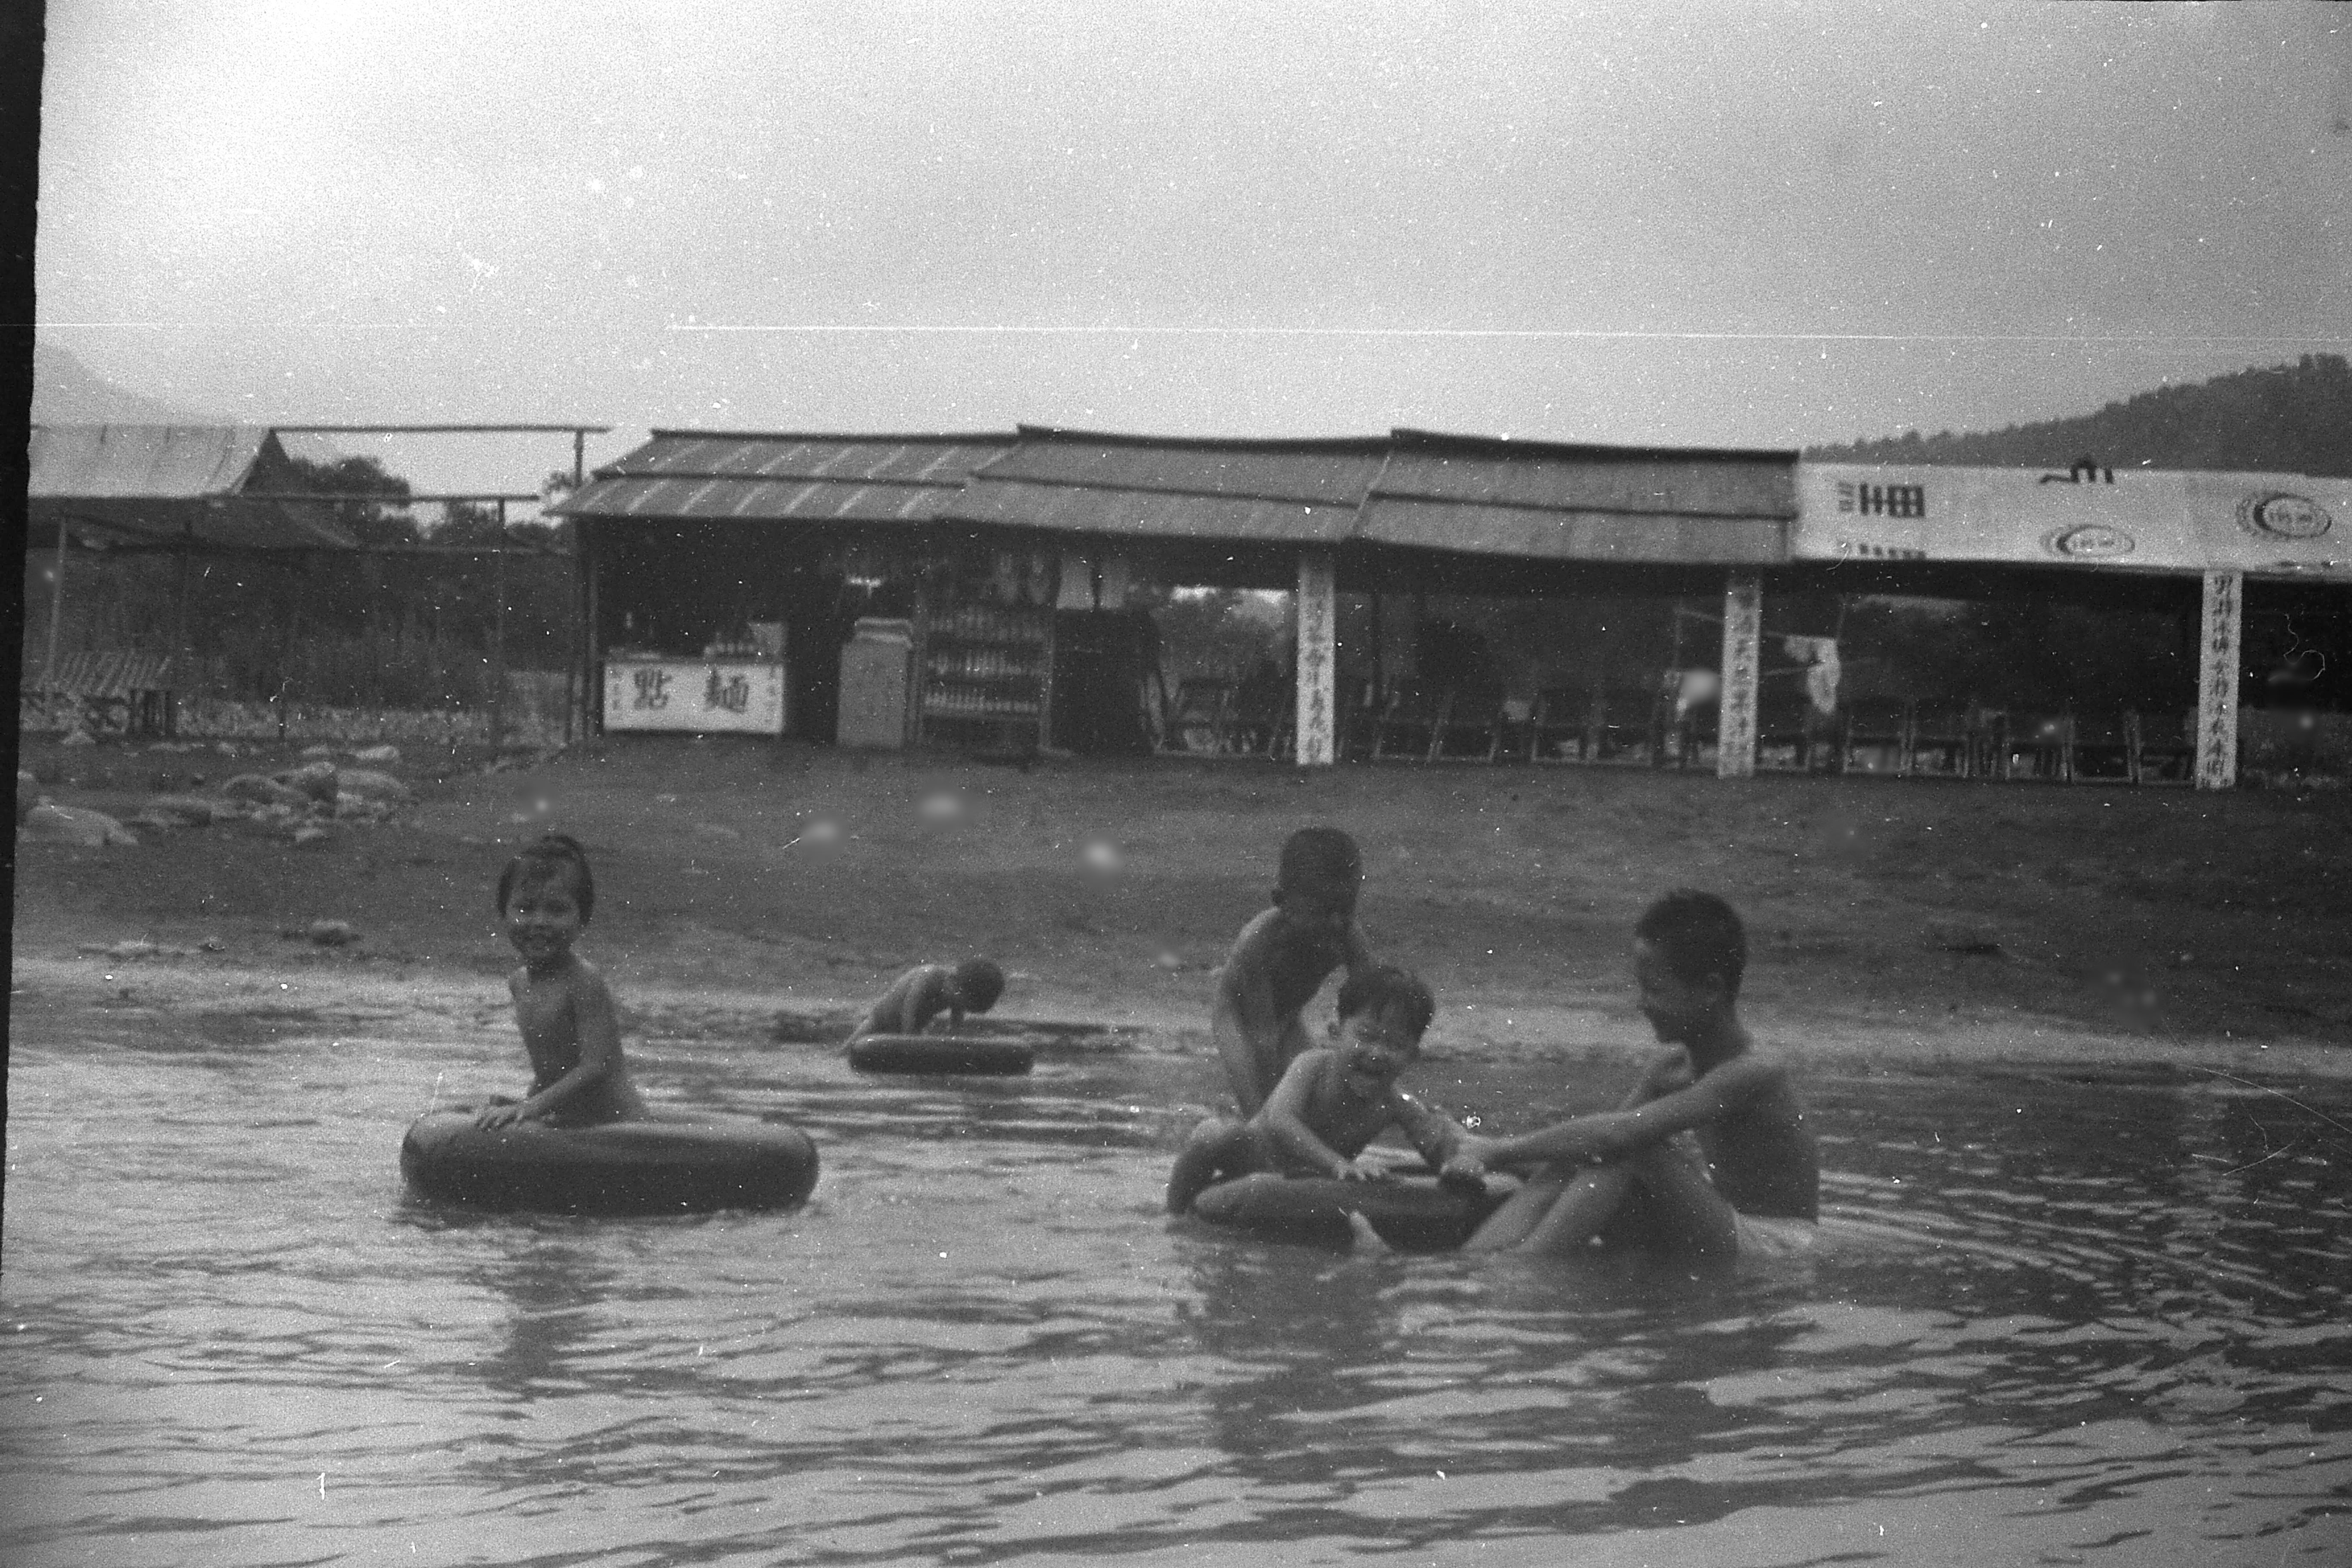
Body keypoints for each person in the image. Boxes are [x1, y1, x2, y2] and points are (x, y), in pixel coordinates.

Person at [1461, 889, 1817, 1258]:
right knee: (1584, 1155)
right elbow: (1598, 1142)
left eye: (1656, 990)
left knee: (1632, 1147)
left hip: (1777, 1244)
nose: (1642, 1004)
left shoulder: (1754, 1072)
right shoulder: (1671, 1067)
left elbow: (1618, 1137)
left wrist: (1498, 1151)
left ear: (1711, 989)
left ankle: (1526, 1268)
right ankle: (1477, 1261)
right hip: (1720, 1223)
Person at [1168, 965, 1483, 1213]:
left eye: (1395, 1044)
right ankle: (1174, 1214)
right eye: (1366, 1036)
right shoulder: (1313, 1066)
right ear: (1335, 1034)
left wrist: (1457, 1162)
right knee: (1212, 1133)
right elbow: (1280, 1119)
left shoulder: (1396, 1101)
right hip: (1251, 1158)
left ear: (1413, 1056)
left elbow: (1435, 1139)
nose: (1376, 1053)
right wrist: (1337, 1164)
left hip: (1308, 1184)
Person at [477, 834, 649, 1130]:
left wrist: (532, 1107)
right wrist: (524, 1103)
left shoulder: (583, 981)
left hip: (620, 1128)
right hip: (573, 1124)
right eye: (525, 909)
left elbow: (596, 1067)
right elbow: (551, 1069)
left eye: (557, 910)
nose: (540, 921)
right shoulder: (518, 983)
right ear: (503, 913)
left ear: (583, 920)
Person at [1212, 826, 1378, 1116]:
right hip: (1238, 1019)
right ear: (1282, 903)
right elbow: (1262, 1035)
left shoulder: (1348, 936)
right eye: (1324, 913)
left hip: (1288, 1018)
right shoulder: (1259, 942)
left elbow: (1374, 997)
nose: (1337, 923)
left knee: (1314, 1102)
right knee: (1260, 1109)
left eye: (1347, 910)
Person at [848, 958, 1006, 1040]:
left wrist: (955, 1038)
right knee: (847, 1051)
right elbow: (910, 1006)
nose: (959, 1007)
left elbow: (956, 1025)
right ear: (953, 980)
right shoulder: (929, 977)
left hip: (917, 1028)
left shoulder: (957, 995)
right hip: (880, 1019)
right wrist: (908, 1036)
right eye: (962, 1003)